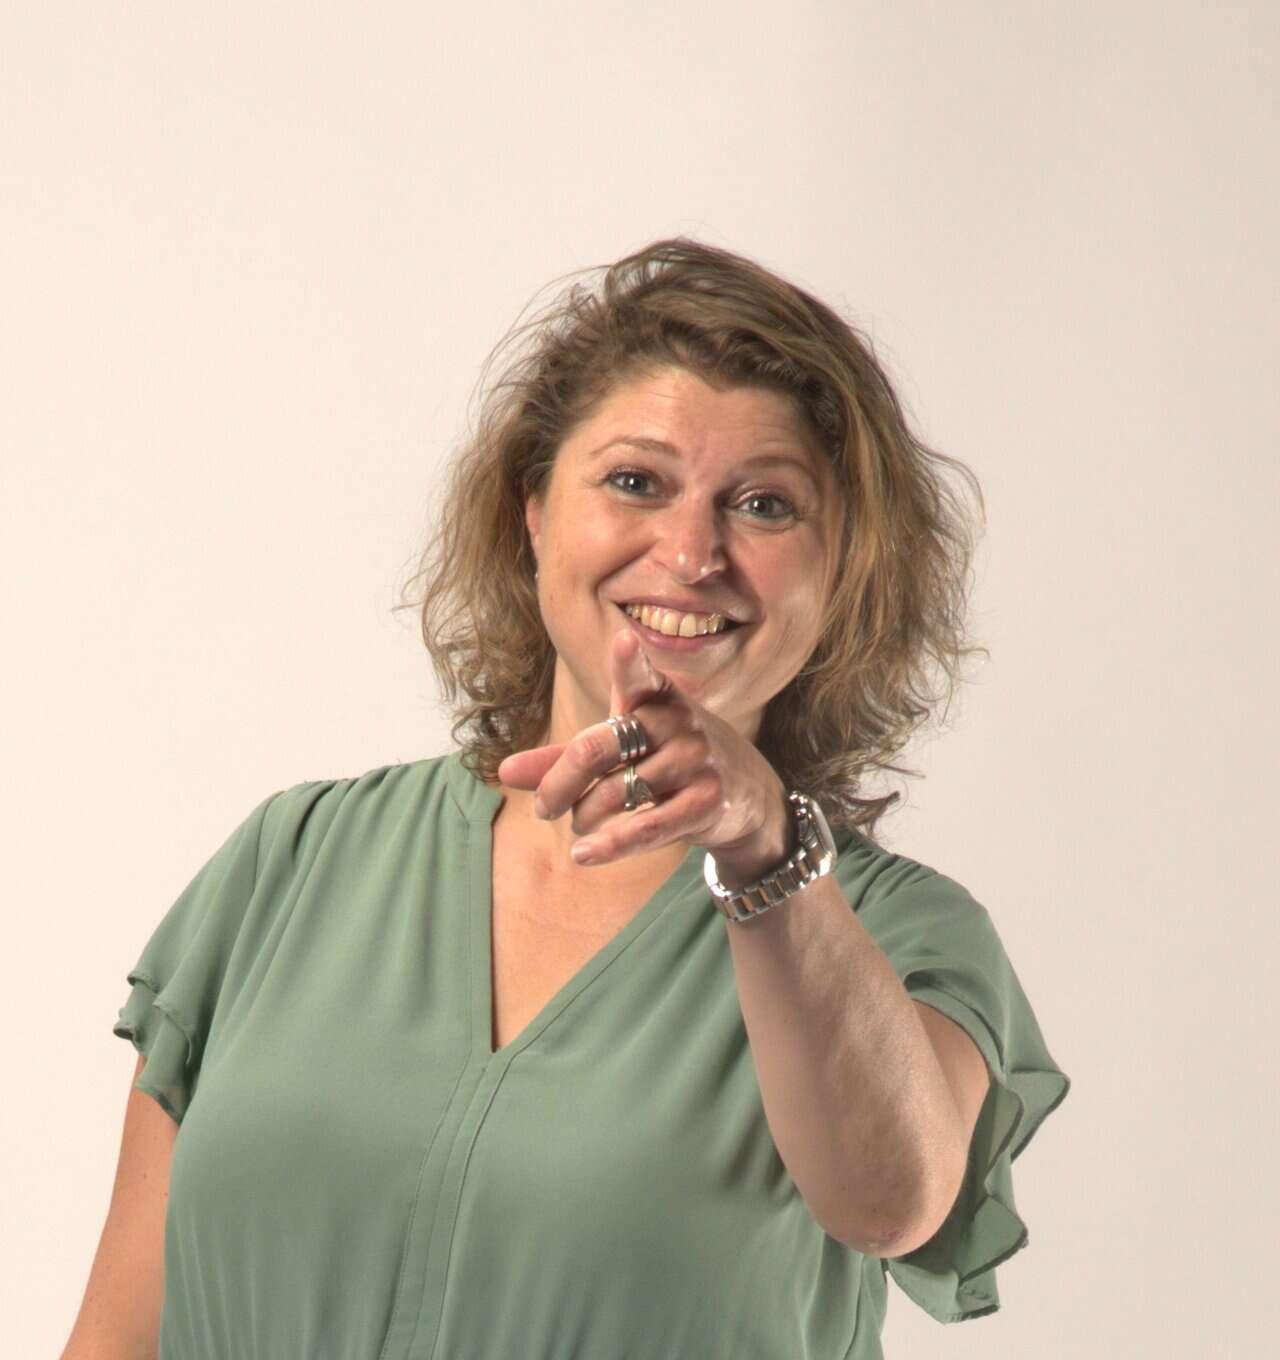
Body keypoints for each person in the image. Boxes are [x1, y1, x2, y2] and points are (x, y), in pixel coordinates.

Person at [63, 237, 1071, 1359]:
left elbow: (891, 1205)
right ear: (533, 510)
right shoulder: (295, 863)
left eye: (764, 505)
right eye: (635, 482)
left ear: (842, 572)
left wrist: (761, 850)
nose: (690, 552)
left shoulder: (900, 938)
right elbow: (113, 1339)